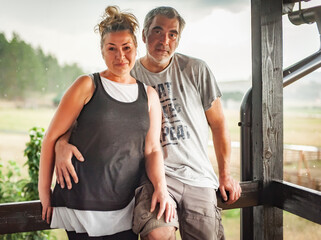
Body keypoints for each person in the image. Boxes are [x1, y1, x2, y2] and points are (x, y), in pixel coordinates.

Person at [55, 6, 242, 240]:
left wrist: (225, 174)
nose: (164, 40)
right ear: (143, 36)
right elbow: (84, 115)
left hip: (198, 177)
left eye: (172, 34)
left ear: (178, 39)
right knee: (157, 234)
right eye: (157, 31)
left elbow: (219, 124)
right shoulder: (126, 72)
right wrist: (60, 143)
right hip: (154, 177)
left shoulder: (196, 69)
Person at [38, 6, 175, 240]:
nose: (120, 56)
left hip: (126, 204)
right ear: (102, 51)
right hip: (82, 205)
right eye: (111, 48)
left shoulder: (149, 95)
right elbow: (51, 137)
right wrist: (44, 194)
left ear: (135, 48)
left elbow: (152, 149)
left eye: (126, 48)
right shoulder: (87, 85)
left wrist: (161, 187)